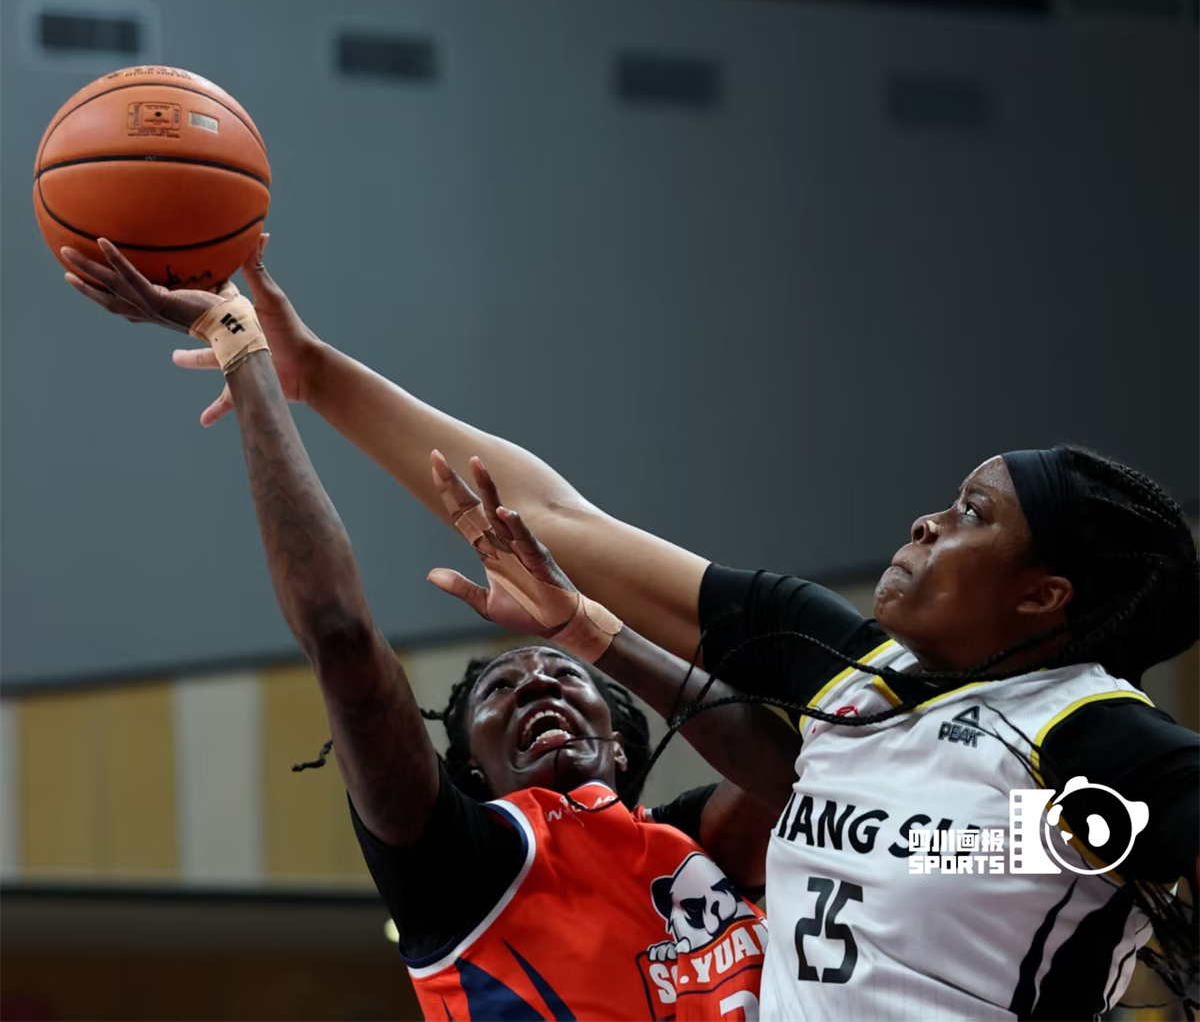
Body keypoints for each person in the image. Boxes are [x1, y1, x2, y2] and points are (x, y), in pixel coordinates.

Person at [159, 235, 1200, 1021]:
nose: (929, 519)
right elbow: (556, 521)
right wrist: (315, 375)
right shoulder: (846, 678)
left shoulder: (1083, 732)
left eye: (973, 512)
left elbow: (994, 834)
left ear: (1043, 595)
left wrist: (1056, 842)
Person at [63, 239, 786, 1022]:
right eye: (501, 689)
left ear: (621, 744)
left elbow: (792, 770)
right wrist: (242, 345)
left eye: (563, 673)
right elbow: (340, 634)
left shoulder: (695, 846)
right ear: (470, 768)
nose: (538, 682)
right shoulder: (467, 869)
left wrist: (589, 631)